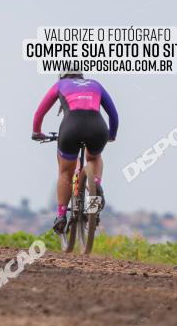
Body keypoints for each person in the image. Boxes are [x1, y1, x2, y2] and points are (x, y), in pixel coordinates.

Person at [31, 73, 118, 234]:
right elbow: (113, 114)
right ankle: (95, 185)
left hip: (71, 128)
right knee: (94, 157)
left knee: (65, 172)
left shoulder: (60, 85)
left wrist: (37, 132)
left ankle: (61, 216)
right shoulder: (95, 84)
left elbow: (39, 113)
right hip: (97, 127)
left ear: (63, 77)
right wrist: (111, 135)